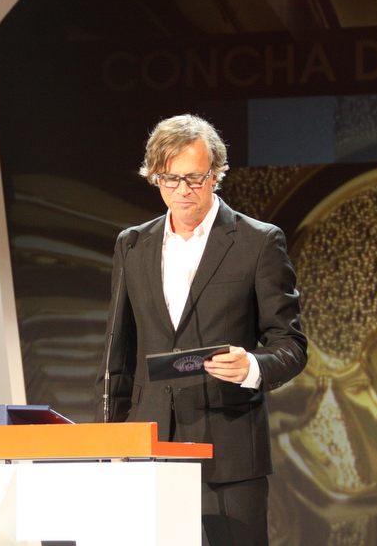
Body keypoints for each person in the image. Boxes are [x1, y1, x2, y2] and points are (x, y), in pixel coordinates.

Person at [95, 114, 308, 546]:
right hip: (149, 445)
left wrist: (252, 366)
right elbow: (118, 351)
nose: (182, 191)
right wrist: (110, 436)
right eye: (169, 179)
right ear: (154, 178)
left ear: (216, 174)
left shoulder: (258, 241)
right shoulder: (132, 244)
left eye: (194, 178)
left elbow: (291, 345)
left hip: (229, 449)